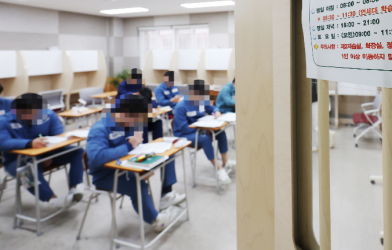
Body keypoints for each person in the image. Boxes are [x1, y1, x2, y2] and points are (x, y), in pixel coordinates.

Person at [86, 94, 186, 232]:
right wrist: (129, 145)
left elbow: (136, 147)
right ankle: (155, 221)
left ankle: (166, 195)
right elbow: (97, 156)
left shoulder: (128, 123)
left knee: (167, 155)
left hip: (127, 165)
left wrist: (143, 165)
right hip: (106, 175)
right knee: (138, 186)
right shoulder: (100, 129)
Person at [0, 93, 84, 208]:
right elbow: (3, 143)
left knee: (77, 151)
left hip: (47, 153)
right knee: (26, 170)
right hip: (16, 160)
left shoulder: (48, 115)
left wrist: (48, 154)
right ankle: (51, 199)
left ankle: (74, 188)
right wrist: (30, 143)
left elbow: (58, 136)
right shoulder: (4, 121)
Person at [173, 80, 235, 184]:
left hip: (201, 129)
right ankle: (219, 169)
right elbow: (184, 128)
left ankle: (225, 162)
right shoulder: (181, 106)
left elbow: (212, 108)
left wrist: (217, 112)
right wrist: (203, 130)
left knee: (220, 133)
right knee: (205, 139)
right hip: (185, 135)